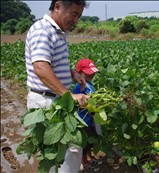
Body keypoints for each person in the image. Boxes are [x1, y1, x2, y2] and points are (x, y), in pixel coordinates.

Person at [25, 0, 90, 172]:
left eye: (79, 16)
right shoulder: (43, 30)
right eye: (74, 14)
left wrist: (73, 73)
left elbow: (52, 61)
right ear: (58, 6)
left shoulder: (58, 32)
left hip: (56, 99)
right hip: (46, 101)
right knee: (57, 153)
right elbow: (41, 68)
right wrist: (68, 95)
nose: (76, 20)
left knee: (69, 150)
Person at [73, 58, 103, 172]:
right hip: (83, 120)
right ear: (79, 73)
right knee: (84, 144)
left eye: (93, 72)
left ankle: (89, 158)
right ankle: (84, 162)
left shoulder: (89, 85)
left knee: (90, 141)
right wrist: (93, 104)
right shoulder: (79, 87)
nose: (92, 75)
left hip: (90, 120)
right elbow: (79, 104)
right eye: (89, 73)